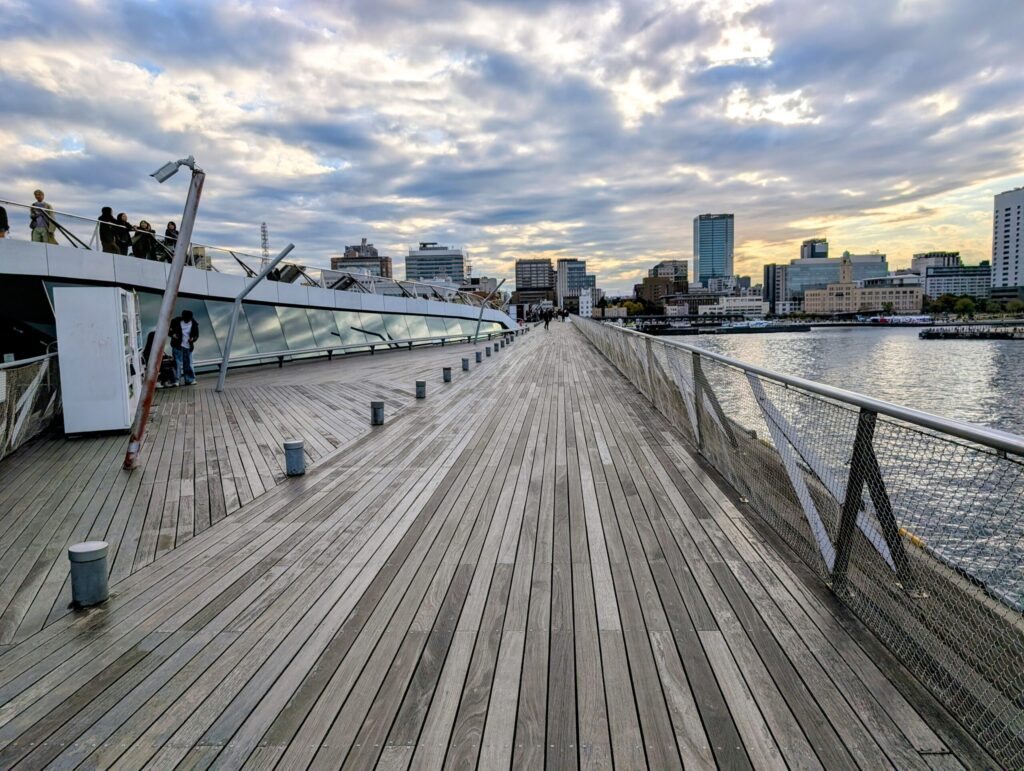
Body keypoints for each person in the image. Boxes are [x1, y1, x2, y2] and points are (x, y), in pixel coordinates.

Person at [169, 309, 199, 386]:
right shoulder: (175, 321)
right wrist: (173, 335)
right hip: (177, 345)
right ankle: (176, 380)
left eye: (188, 319)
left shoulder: (194, 324)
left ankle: (189, 380)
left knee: (188, 363)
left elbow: (196, 335)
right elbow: (168, 330)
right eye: (185, 319)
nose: (186, 321)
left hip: (188, 346)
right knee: (177, 363)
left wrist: (193, 339)